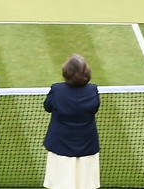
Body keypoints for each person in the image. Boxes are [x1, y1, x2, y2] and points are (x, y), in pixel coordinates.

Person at [42, 54, 100, 189]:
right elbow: (94, 108)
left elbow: (47, 106)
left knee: (60, 185)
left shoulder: (57, 90)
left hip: (60, 146)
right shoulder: (92, 90)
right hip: (86, 146)